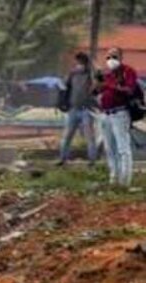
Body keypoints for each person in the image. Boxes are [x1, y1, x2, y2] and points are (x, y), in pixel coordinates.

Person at [96, 46, 138, 187]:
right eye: (108, 57)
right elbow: (96, 91)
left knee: (122, 149)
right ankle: (113, 179)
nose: (110, 60)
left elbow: (129, 90)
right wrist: (98, 80)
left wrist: (110, 84)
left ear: (120, 57)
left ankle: (124, 182)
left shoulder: (128, 71)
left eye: (114, 57)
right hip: (105, 114)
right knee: (109, 149)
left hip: (120, 113)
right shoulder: (108, 74)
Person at [57, 52, 97, 165]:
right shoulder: (72, 74)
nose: (79, 65)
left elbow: (98, 78)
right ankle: (62, 158)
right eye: (78, 62)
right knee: (67, 135)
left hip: (87, 109)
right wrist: (63, 102)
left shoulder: (90, 74)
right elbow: (64, 87)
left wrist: (92, 64)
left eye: (81, 62)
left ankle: (92, 160)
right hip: (73, 108)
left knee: (90, 136)